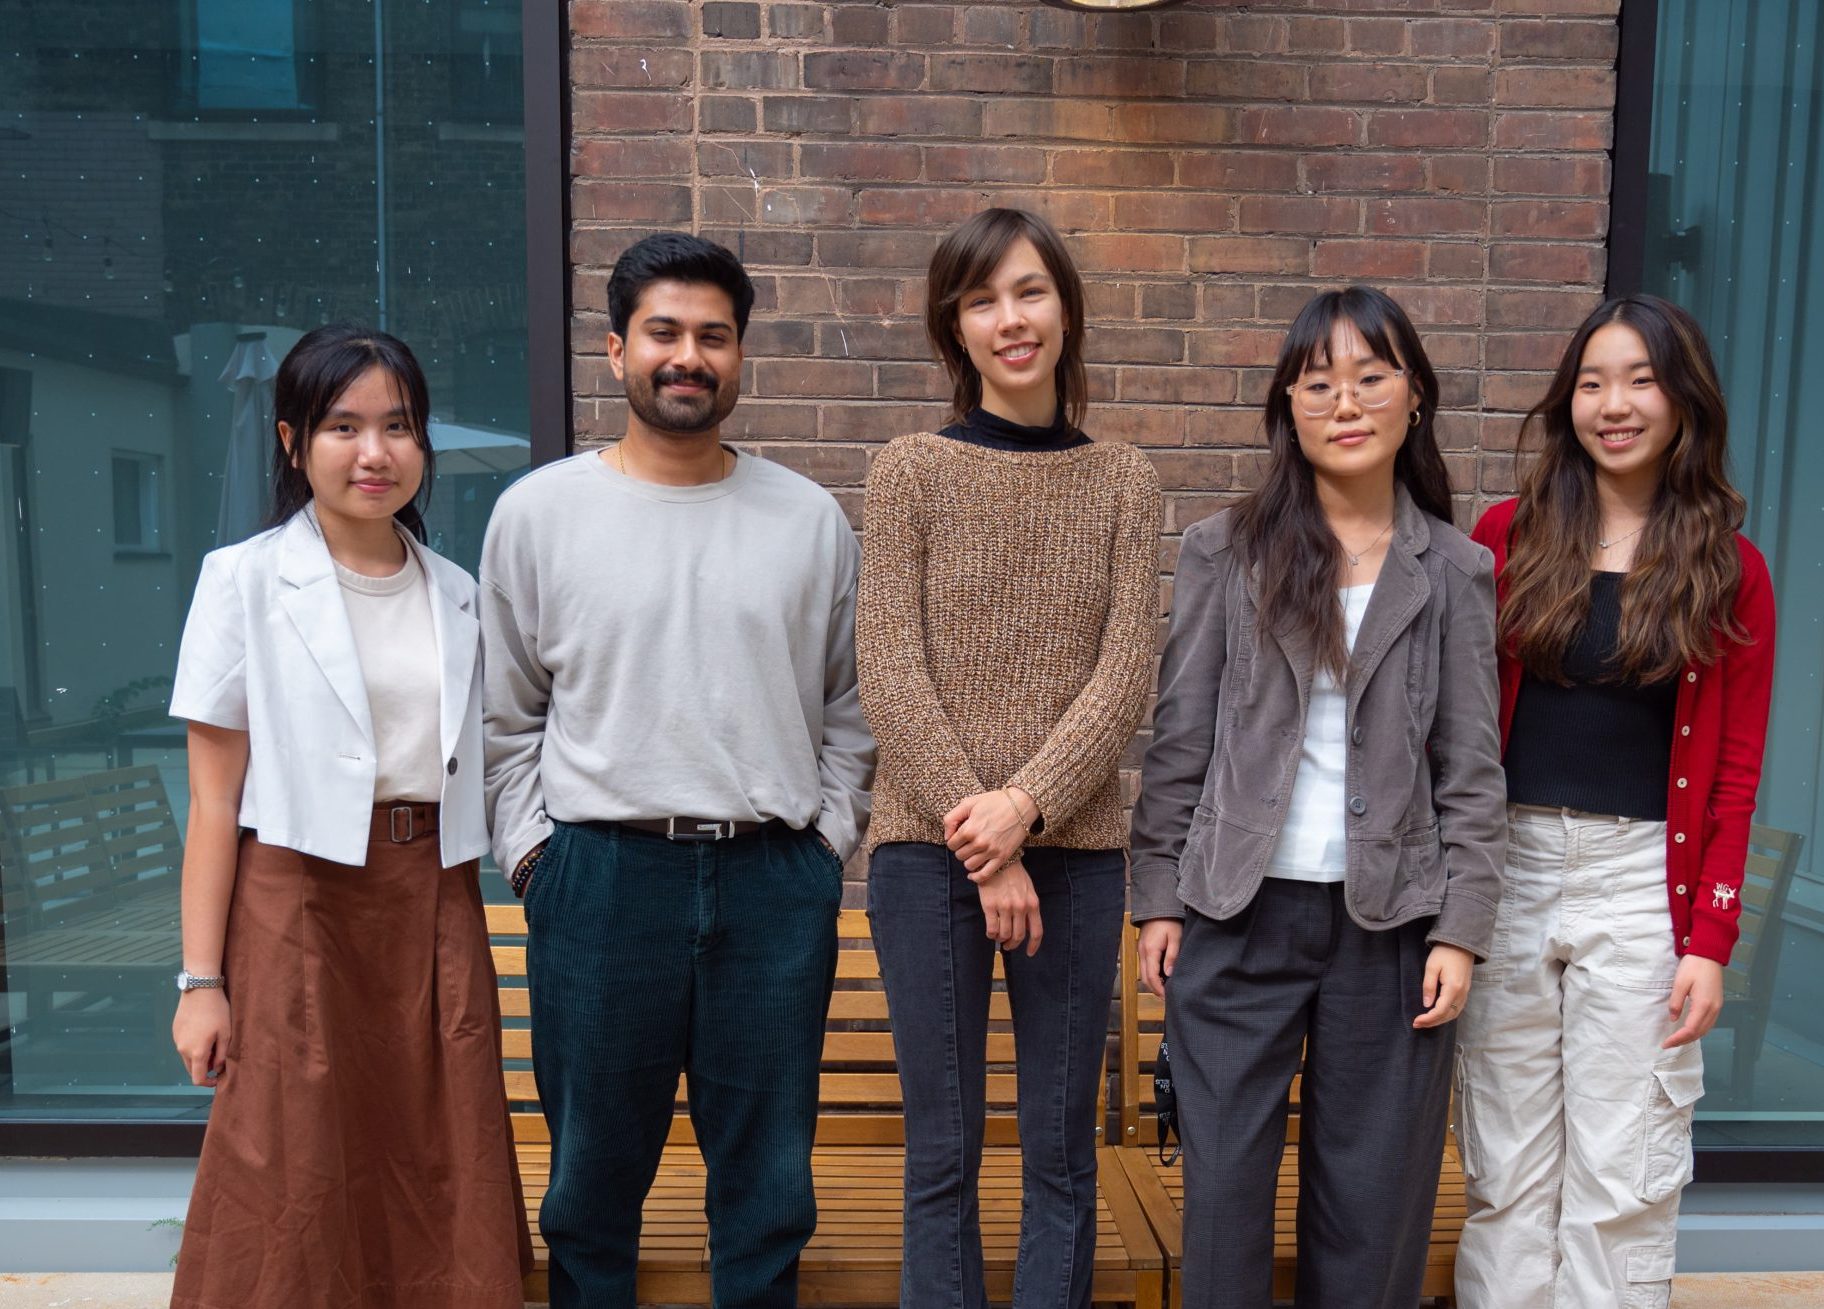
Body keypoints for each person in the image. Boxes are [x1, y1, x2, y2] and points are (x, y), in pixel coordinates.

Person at [481, 232, 874, 1309]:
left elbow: (850, 706)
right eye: (664, 332)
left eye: (713, 335)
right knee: (591, 1187)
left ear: (741, 355)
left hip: (771, 882)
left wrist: (824, 844)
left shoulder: (809, 520)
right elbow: (504, 716)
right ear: (616, 350)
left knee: (766, 1188)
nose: (687, 355)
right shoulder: (537, 515)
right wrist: (535, 861)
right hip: (600, 881)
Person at [1128, 287, 1506, 1309]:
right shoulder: (1226, 551)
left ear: (1414, 397)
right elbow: (1182, 735)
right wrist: (1158, 893)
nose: (1346, 401)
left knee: (1374, 1212)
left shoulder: (1458, 571)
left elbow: (1471, 770)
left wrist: (1461, 930)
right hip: (1234, 913)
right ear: (1287, 407)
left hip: (1390, 929)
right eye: (1317, 380)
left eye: (1371, 376)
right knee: (1222, 1208)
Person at [167, 324, 530, 1308]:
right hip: (296, 899)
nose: (375, 452)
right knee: (290, 1161)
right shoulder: (242, 582)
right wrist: (203, 981)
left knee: (440, 1153)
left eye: (399, 426)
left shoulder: (459, 594)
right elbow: (211, 803)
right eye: (343, 426)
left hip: (434, 897)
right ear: (293, 442)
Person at [856, 207, 1161, 1309]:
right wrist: (986, 841)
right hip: (926, 856)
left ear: (1066, 307)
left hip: (1075, 858)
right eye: (982, 299)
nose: (1010, 318)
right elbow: (888, 667)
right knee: (942, 1152)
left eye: (1029, 291)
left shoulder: (1125, 478)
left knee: (1059, 1153)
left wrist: (1025, 808)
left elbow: (1126, 672)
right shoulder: (908, 473)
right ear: (956, 328)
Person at [1456, 295, 1776, 1309]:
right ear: (1567, 402)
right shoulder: (1505, 537)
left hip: (1644, 888)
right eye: (1593, 382)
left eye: (1640, 379)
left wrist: (1711, 937)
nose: (1615, 403)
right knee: (1506, 1177)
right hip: (1509, 874)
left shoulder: (1731, 569)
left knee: (1620, 1180)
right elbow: (1457, 731)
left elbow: (1734, 771)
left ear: (1683, 400)